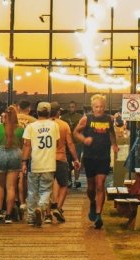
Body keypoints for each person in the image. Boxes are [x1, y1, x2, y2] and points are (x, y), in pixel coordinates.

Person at [75, 94, 118, 230]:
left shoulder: (109, 119)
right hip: (89, 157)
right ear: (92, 107)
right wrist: (84, 140)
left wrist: (114, 145)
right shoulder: (86, 119)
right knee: (91, 187)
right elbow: (75, 132)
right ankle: (92, 203)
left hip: (103, 157)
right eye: (96, 107)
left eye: (101, 107)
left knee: (100, 185)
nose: (99, 109)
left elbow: (111, 133)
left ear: (104, 107)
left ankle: (99, 215)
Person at [21, 102, 58, 227]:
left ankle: (31, 216)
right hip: (49, 163)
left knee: (32, 191)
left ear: (36, 112)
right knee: (46, 189)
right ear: (49, 112)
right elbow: (56, 143)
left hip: (34, 163)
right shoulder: (54, 126)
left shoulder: (31, 127)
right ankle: (41, 208)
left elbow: (26, 146)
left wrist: (24, 162)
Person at [0, 105, 24, 223]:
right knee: (11, 187)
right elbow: (22, 144)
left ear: (4, 115)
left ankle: (0, 212)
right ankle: (9, 216)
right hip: (16, 154)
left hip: (1, 154)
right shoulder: (20, 129)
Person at [49, 102, 79, 223]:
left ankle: (48, 211)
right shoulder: (64, 125)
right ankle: (58, 207)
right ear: (58, 112)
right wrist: (76, 158)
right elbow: (70, 144)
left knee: (51, 184)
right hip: (60, 158)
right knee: (64, 183)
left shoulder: (43, 124)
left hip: (45, 159)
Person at [61, 101, 84, 189]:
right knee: (67, 162)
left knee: (76, 161)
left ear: (76, 107)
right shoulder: (63, 117)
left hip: (77, 142)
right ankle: (69, 180)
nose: (71, 108)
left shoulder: (80, 117)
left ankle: (76, 180)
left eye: (73, 107)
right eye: (70, 107)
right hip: (66, 142)